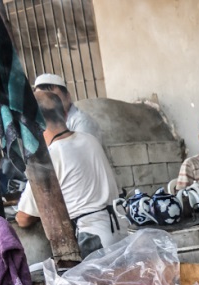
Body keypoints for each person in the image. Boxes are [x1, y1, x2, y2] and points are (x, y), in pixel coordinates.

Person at [15, 91, 122, 257]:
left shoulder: (50, 157)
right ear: (65, 114)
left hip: (93, 241)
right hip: (120, 231)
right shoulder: (89, 140)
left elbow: (23, 218)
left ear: (34, 124)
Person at [33, 73, 102, 139]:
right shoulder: (38, 124)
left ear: (67, 96)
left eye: (53, 98)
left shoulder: (82, 122)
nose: (47, 103)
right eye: (41, 100)